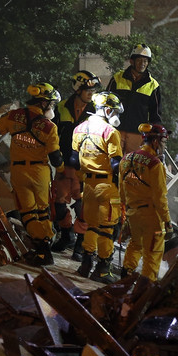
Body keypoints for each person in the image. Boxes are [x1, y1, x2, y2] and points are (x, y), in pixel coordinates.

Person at [0, 83, 65, 266]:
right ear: (43, 104)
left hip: (19, 172)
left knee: (28, 212)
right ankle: (45, 249)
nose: (53, 108)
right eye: (52, 105)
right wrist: (63, 171)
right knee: (42, 212)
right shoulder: (49, 128)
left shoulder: (13, 116)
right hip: (40, 173)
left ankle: (41, 251)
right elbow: (56, 158)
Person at [71, 91, 124, 282]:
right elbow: (116, 164)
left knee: (92, 227)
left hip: (89, 187)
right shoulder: (111, 132)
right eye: (115, 111)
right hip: (106, 185)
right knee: (107, 229)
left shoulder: (79, 129)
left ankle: (85, 266)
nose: (116, 115)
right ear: (108, 110)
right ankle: (102, 269)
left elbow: (74, 160)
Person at [52, 71, 100, 257]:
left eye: (93, 90)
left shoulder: (96, 110)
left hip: (84, 164)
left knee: (83, 204)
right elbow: (54, 132)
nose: (91, 93)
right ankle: (66, 235)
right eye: (88, 89)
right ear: (78, 89)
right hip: (65, 163)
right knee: (59, 203)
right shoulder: (62, 106)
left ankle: (81, 243)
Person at [120, 123, 173, 281]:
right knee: (153, 254)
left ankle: (124, 280)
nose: (164, 146)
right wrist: (167, 222)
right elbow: (160, 197)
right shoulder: (155, 164)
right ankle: (144, 290)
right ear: (156, 142)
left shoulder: (126, 159)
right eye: (163, 141)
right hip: (151, 217)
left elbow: (121, 191)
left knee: (135, 245)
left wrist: (125, 216)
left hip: (133, 213)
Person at [107, 44, 162, 156]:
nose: (142, 64)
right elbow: (106, 102)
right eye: (139, 60)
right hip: (116, 130)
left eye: (145, 61)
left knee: (133, 166)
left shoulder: (153, 85)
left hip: (137, 135)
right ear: (132, 61)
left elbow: (155, 114)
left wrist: (156, 133)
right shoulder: (117, 79)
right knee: (112, 162)